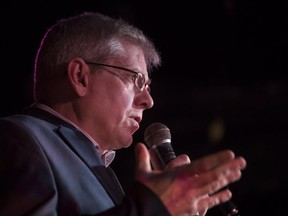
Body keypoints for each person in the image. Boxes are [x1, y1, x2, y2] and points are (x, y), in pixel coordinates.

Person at [0, 11, 246, 216]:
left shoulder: (99, 168)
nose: (148, 100)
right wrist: (152, 208)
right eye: (136, 79)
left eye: (148, 86)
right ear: (80, 76)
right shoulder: (16, 138)